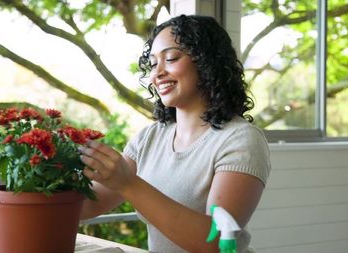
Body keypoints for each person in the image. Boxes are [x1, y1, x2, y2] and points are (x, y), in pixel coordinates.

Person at [78, 14, 271, 253]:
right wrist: (38, 171)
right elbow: (86, 206)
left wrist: (128, 183)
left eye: (170, 58)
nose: (156, 73)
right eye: (152, 63)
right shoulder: (150, 138)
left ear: (206, 61)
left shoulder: (241, 139)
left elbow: (217, 241)